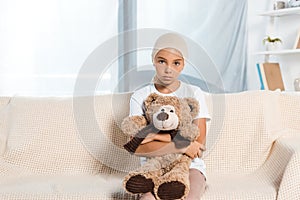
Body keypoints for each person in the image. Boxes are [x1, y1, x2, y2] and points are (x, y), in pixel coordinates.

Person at [129, 33, 210, 200]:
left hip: (190, 167)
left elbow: (198, 145)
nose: (168, 69)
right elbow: (136, 146)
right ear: (153, 60)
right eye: (161, 61)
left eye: (176, 63)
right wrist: (182, 146)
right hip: (152, 168)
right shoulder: (140, 96)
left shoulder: (193, 93)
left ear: (183, 65)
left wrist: (152, 136)